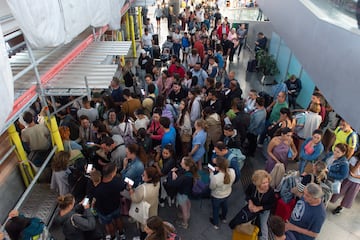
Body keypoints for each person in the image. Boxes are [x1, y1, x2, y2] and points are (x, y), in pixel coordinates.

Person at [229, 170, 276, 240]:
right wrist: (250, 203)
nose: (266, 185)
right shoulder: (253, 186)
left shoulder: (270, 191)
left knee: (263, 226)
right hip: (252, 204)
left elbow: (271, 204)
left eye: (267, 182)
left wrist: (259, 208)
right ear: (257, 183)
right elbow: (247, 194)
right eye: (263, 183)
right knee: (246, 219)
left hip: (263, 210)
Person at [93, 163, 126, 239]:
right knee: (118, 219)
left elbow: (94, 197)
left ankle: (113, 236)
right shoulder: (117, 182)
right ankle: (121, 234)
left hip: (104, 210)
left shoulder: (98, 188)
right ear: (112, 174)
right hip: (116, 206)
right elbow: (123, 187)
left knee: (108, 224)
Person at [166, 157, 198, 229]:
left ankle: (185, 223)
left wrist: (172, 173)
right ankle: (187, 214)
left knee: (184, 208)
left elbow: (172, 183)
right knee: (187, 203)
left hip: (182, 193)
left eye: (182, 163)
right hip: (187, 192)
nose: (180, 163)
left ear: (187, 166)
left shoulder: (184, 177)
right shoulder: (190, 172)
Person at [129, 167, 160, 240]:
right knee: (151, 225)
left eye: (144, 175)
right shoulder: (157, 183)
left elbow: (135, 199)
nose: (142, 176)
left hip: (143, 210)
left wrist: (130, 189)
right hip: (153, 207)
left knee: (144, 228)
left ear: (149, 178)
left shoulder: (142, 188)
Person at [209, 156, 236, 229]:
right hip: (227, 193)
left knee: (216, 209)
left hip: (217, 196)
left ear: (218, 166)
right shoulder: (232, 171)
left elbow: (212, 187)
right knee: (225, 206)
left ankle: (215, 223)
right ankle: (223, 218)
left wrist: (211, 174)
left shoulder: (215, 177)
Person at [330, 150, 360, 215]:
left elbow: (354, 174)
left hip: (357, 182)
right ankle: (331, 200)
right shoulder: (354, 159)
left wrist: (355, 176)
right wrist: (358, 164)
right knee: (339, 192)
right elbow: (352, 171)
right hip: (348, 179)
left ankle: (341, 207)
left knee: (350, 196)